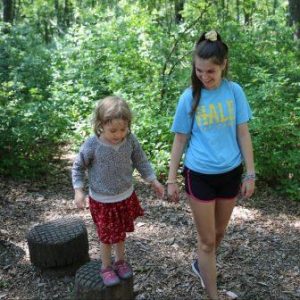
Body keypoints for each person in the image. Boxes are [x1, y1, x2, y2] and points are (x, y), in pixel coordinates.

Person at [167, 30, 255, 299]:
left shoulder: (234, 92)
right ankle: (213, 295)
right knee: (206, 242)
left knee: (218, 233)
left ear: (223, 65)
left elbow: (243, 132)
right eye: (199, 71)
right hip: (199, 174)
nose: (204, 77)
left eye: (210, 72)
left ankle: (200, 265)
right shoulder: (189, 97)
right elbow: (180, 140)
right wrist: (171, 179)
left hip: (230, 173)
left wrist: (250, 173)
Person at [72, 96, 164, 287]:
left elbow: (141, 161)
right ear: (100, 124)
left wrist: (153, 180)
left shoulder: (130, 140)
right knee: (106, 236)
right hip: (102, 200)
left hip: (124, 196)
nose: (118, 134)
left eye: (123, 129)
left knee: (120, 232)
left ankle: (120, 261)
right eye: (113, 130)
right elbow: (78, 166)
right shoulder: (92, 145)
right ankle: (106, 266)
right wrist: (78, 190)